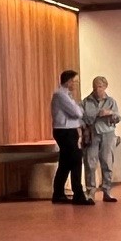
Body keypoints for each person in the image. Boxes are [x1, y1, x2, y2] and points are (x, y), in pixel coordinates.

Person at [49, 69, 92, 206]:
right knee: (76, 161)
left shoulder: (66, 95)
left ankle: (58, 194)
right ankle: (78, 195)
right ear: (69, 81)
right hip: (65, 131)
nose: (76, 84)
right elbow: (77, 112)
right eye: (75, 81)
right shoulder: (61, 95)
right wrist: (79, 109)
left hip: (67, 131)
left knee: (65, 163)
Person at [82, 75, 121, 203]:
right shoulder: (86, 101)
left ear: (105, 87)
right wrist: (96, 115)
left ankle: (107, 191)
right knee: (90, 163)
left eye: (99, 86)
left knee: (107, 162)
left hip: (108, 134)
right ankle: (90, 193)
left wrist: (110, 113)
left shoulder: (111, 101)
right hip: (92, 133)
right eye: (94, 86)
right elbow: (82, 118)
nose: (96, 89)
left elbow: (118, 118)